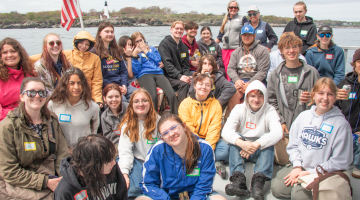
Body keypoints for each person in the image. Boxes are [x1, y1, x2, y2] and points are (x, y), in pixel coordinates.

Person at [271, 77, 353, 200]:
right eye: (321, 93)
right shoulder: (303, 117)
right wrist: (297, 166)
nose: (325, 98)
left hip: (324, 171)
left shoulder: (341, 124)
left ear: (335, 97)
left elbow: (341, 160)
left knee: (298, 197)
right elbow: (293, 145)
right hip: (301, 166)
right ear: (313, 95)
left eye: (330, 94)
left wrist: (310, 172)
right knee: (277, 189)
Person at [0, 77, 69, 199]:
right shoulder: (8, 127)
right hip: (20, 184)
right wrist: (45, 182)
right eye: (31, 92)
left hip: (51, 178)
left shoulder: (51, 120)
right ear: (22, 97)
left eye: (41, 92)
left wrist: (63, 178)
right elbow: (9, 171)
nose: (37, 96)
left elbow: (62, 153)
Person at [137, 114, 226, 200]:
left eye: (173, 127)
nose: (171, 134)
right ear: (162, 138)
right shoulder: (157, 151)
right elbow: (148, 183)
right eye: (165, 133)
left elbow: (204, 186)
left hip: (195, 194)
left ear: (183, 126)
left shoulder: (204, 149)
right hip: (167, 195)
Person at [222, 80, 282, 199]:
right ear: (247, 96)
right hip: (242, 150)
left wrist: (256, 144)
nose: (256, 100)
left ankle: (258, 181)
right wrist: (241, 143)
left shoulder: (270, 110)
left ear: (265, 97)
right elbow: (226, 131)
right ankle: (238, 180)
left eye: (260, 96)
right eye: (253, 96)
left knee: (268, 141)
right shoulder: (239, 108)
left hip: (259, 150)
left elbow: (278, 132)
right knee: (235, 138)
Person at [267, 32, 320, 165]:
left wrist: (312, 98)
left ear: (300, 49)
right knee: (283, 161)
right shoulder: (275, 75)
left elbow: (321, 99)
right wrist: (281, 121)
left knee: (307, 161)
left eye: (295, 47)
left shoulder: (311, 72)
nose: (291, 51)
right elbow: (271, 101)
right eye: (287, 48)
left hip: (307, 127)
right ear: (281, 51)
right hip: (285, 127)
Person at [29, 31, 104, 107]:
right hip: (52, 104)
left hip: (74, 99)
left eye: (58, 43)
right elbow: (46, 90)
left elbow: (96, 81)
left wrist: (96, 99)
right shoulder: (40, 66)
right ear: (45, 47)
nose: (55, 45)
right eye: (51, 43)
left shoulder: (66, 63)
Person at [179, 73, 227, 179]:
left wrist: (207, 148)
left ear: (211, 87)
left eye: (207, 85)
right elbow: (188, 128)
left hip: (208, 139)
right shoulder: (185, 104)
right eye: (200, 84)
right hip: (191, 139)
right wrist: (197, 146)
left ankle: (203, 159)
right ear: (195, 86)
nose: (204, 87)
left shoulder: (216, 104)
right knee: (182, 148)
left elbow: (214, 128)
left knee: (225, 149)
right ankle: (211, 161)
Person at [54, 134, 128, 200]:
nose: (114, 163)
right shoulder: (65, 190)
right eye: (108, 161)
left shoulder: (112, 169)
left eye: (113, 158)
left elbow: (122, 196)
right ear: (93, 165)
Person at [117, 88, 160, 198]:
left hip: (155, 161)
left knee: (158, 188)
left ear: (150, 102)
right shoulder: (128, 125)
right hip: (138, 160)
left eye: (144, 100)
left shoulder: (159, 121)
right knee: (133, 190)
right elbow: (125, 151)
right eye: (136, 101)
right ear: (131, 104)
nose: (140, 104)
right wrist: (125, 173)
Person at [47, 67, 99, 148]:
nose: (76, 87)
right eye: (72, 83)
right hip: (60, 153)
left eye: (79, 83)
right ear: (65, 84)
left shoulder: (93, 107)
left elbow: (94, 130)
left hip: (83, 152)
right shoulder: (53, 105)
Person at [131, 32, 179, 114]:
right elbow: (136, 70)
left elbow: (158, 61)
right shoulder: (135, 53)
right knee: (152, 96)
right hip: (144, 75)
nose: (139, 43)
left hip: (158, 73)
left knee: (171, 94)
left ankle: (177, 117)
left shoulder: (152, 49)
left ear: (144, 40)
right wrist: (135, 56)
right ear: (134, 44)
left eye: (141, 40)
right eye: (137, 41)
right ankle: (154, 120)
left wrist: (146, 51)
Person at [227, 25, 270, 116]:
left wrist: (249, 84)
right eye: (244, 35)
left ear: (254, 36)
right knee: (232, 92)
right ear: (241, 36)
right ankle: (233, 120)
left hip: (256, 80)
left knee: (253, 92)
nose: (246, 37)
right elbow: (230, 69)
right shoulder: (236, 52)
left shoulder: (262, 51)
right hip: (239, 81)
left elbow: (263, 71)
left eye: (249, 35)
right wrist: (237, 80)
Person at [91, 21, 136, 102]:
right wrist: (114, 86)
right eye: (107, 31)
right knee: (122, 101)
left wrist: (124, 85)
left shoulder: (116, 50)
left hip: (121, 84)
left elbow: (123, 71)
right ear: (100, 33)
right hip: (106, 86)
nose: (110, 34)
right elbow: (97, 76)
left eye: (112, 32)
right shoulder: (94, 52)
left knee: (140, 95)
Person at [335, 48, 360, 179]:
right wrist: (336, 97)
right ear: (354, 64)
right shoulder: (346, 83)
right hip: (345, 130)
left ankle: (358, 165)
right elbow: (331, 106)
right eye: (359, 61)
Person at [0, 38, 35, 121]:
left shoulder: (31, 73)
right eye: (5, 52)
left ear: (20, 53)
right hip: (6, 122)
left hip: (31, 118)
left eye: (13, 51)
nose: (9, 55)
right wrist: (18, 114)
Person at [159, 21, 192, 103]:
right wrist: (179, 76)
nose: (179, 31)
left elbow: (186, 66)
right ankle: (182, 111)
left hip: (180, 75)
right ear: (171, 29)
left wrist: (188, 76)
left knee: (198, 80)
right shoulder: (164, 44)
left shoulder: (184, 47)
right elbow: (167, 65)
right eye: (176, 28)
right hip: (167, 75)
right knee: (184, 84)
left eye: (181, 29)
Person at [215, 0, 248, 81]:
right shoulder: (225, 20)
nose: (233, 9)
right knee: (225, 70)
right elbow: (219, 36)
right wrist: (209, 46)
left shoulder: (242, 19)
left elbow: (247, 32)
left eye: (235, 7)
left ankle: (234, 85)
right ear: (228, 8)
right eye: (231, 7)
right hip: (225, 50)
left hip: (236, 49)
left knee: (234, 69)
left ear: (238, 9)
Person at [101, 83, 128, 149]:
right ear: (104, 99)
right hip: (116, 146)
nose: (114, 100)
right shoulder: (104, 116)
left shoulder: (128, 108)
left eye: (117, 96)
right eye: (110, 97)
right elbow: (107, 138)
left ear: (121, 97)